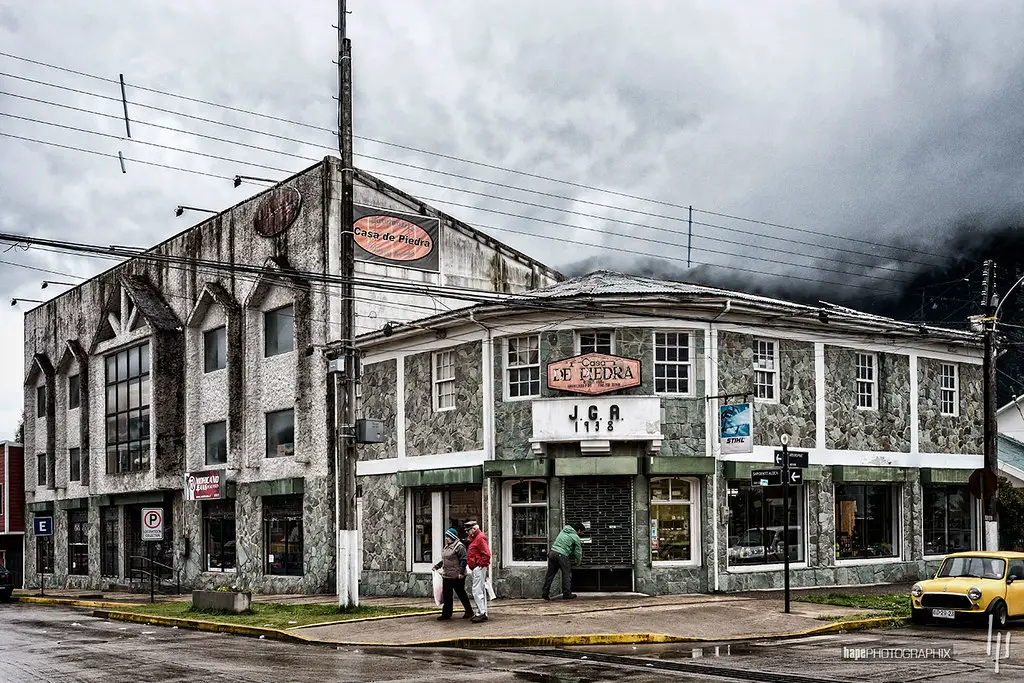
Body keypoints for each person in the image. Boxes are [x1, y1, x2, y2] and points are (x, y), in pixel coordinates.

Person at [432, 527, 473, 620]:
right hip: (446, 574)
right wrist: (437, 566)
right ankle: (446, 614)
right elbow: (445, 560)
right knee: (447, 595)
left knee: (461, 593)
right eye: (446, 536)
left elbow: (463, 560)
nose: (446, 538)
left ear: (452, 537)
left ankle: (469, 611)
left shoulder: (459, 546)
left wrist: (461, 572)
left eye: (447, 537)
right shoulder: (447, 547)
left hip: (457, 575)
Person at [542, 522, 585, 600]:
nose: (582, 533)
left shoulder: (563, 530)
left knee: (550, 574)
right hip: (562, 555)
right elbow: (578, 552)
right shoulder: (575, 537)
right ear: (578, 530)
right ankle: (567, 594)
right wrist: (578, 562)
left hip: (552, 553)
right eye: (582, 532)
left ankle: (545, 593)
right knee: (566, 574)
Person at [465, 520, 491, 623]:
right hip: (477, 567)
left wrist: (479, 565)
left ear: (474, 529)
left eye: (468, 530)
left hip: (478, 567)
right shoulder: (476, 538)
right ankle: (480, 611)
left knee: (477, 590)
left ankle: (481, 612)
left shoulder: (479, 538)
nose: (467, 532)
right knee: (478, 589)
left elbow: (486, 554)